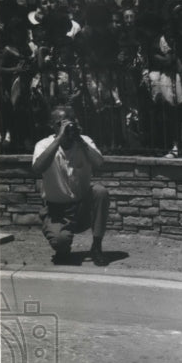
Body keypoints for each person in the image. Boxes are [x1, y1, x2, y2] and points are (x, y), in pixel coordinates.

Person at [31, 106, 109, 266]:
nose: (66, 127)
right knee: (61, 243)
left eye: (70, 123)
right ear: (52, 125)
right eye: (60, 123)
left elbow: (99, 163)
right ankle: (63, 247)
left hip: (81, 208)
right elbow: (38, 168)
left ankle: (96, 247)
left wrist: (79, 140)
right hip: (56, 210)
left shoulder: (84, 141)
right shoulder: (44, 144)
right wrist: (59, 139)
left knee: (100, 191)